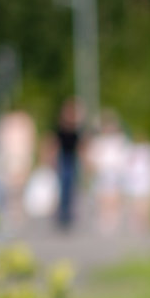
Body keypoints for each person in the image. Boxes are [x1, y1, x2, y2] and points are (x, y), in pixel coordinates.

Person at [53, 99, 84, 232]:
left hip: (73, 159)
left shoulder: (77, 127)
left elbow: (81, 145)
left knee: (72, 187)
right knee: (63, 187)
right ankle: (62, 215)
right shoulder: (60, 127)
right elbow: (54, 143)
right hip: (63, 158)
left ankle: (69, 214)